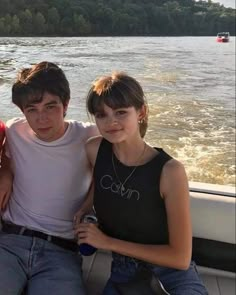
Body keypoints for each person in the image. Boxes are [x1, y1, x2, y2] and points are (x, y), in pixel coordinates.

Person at [75, 72, 208, 294]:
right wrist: (86, 206)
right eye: (101, 114)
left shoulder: (170, 171)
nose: (111, 122)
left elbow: (180, 258)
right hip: (123, 272)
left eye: (120, 112)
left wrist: (107, 243)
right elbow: (101, 182)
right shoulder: (94, 150)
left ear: (141, 112)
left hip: (171, 274)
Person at [0, 61, 98, 295]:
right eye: (32, 109)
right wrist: (6, 172)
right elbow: (7, 161)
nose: (41, 118)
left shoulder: (89, 137)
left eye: (50, 107)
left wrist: (89, 203)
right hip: (10, 242)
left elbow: (115, 173)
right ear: (22, 111)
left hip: (61, 251)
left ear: (66, 105)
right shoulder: (14, 131)